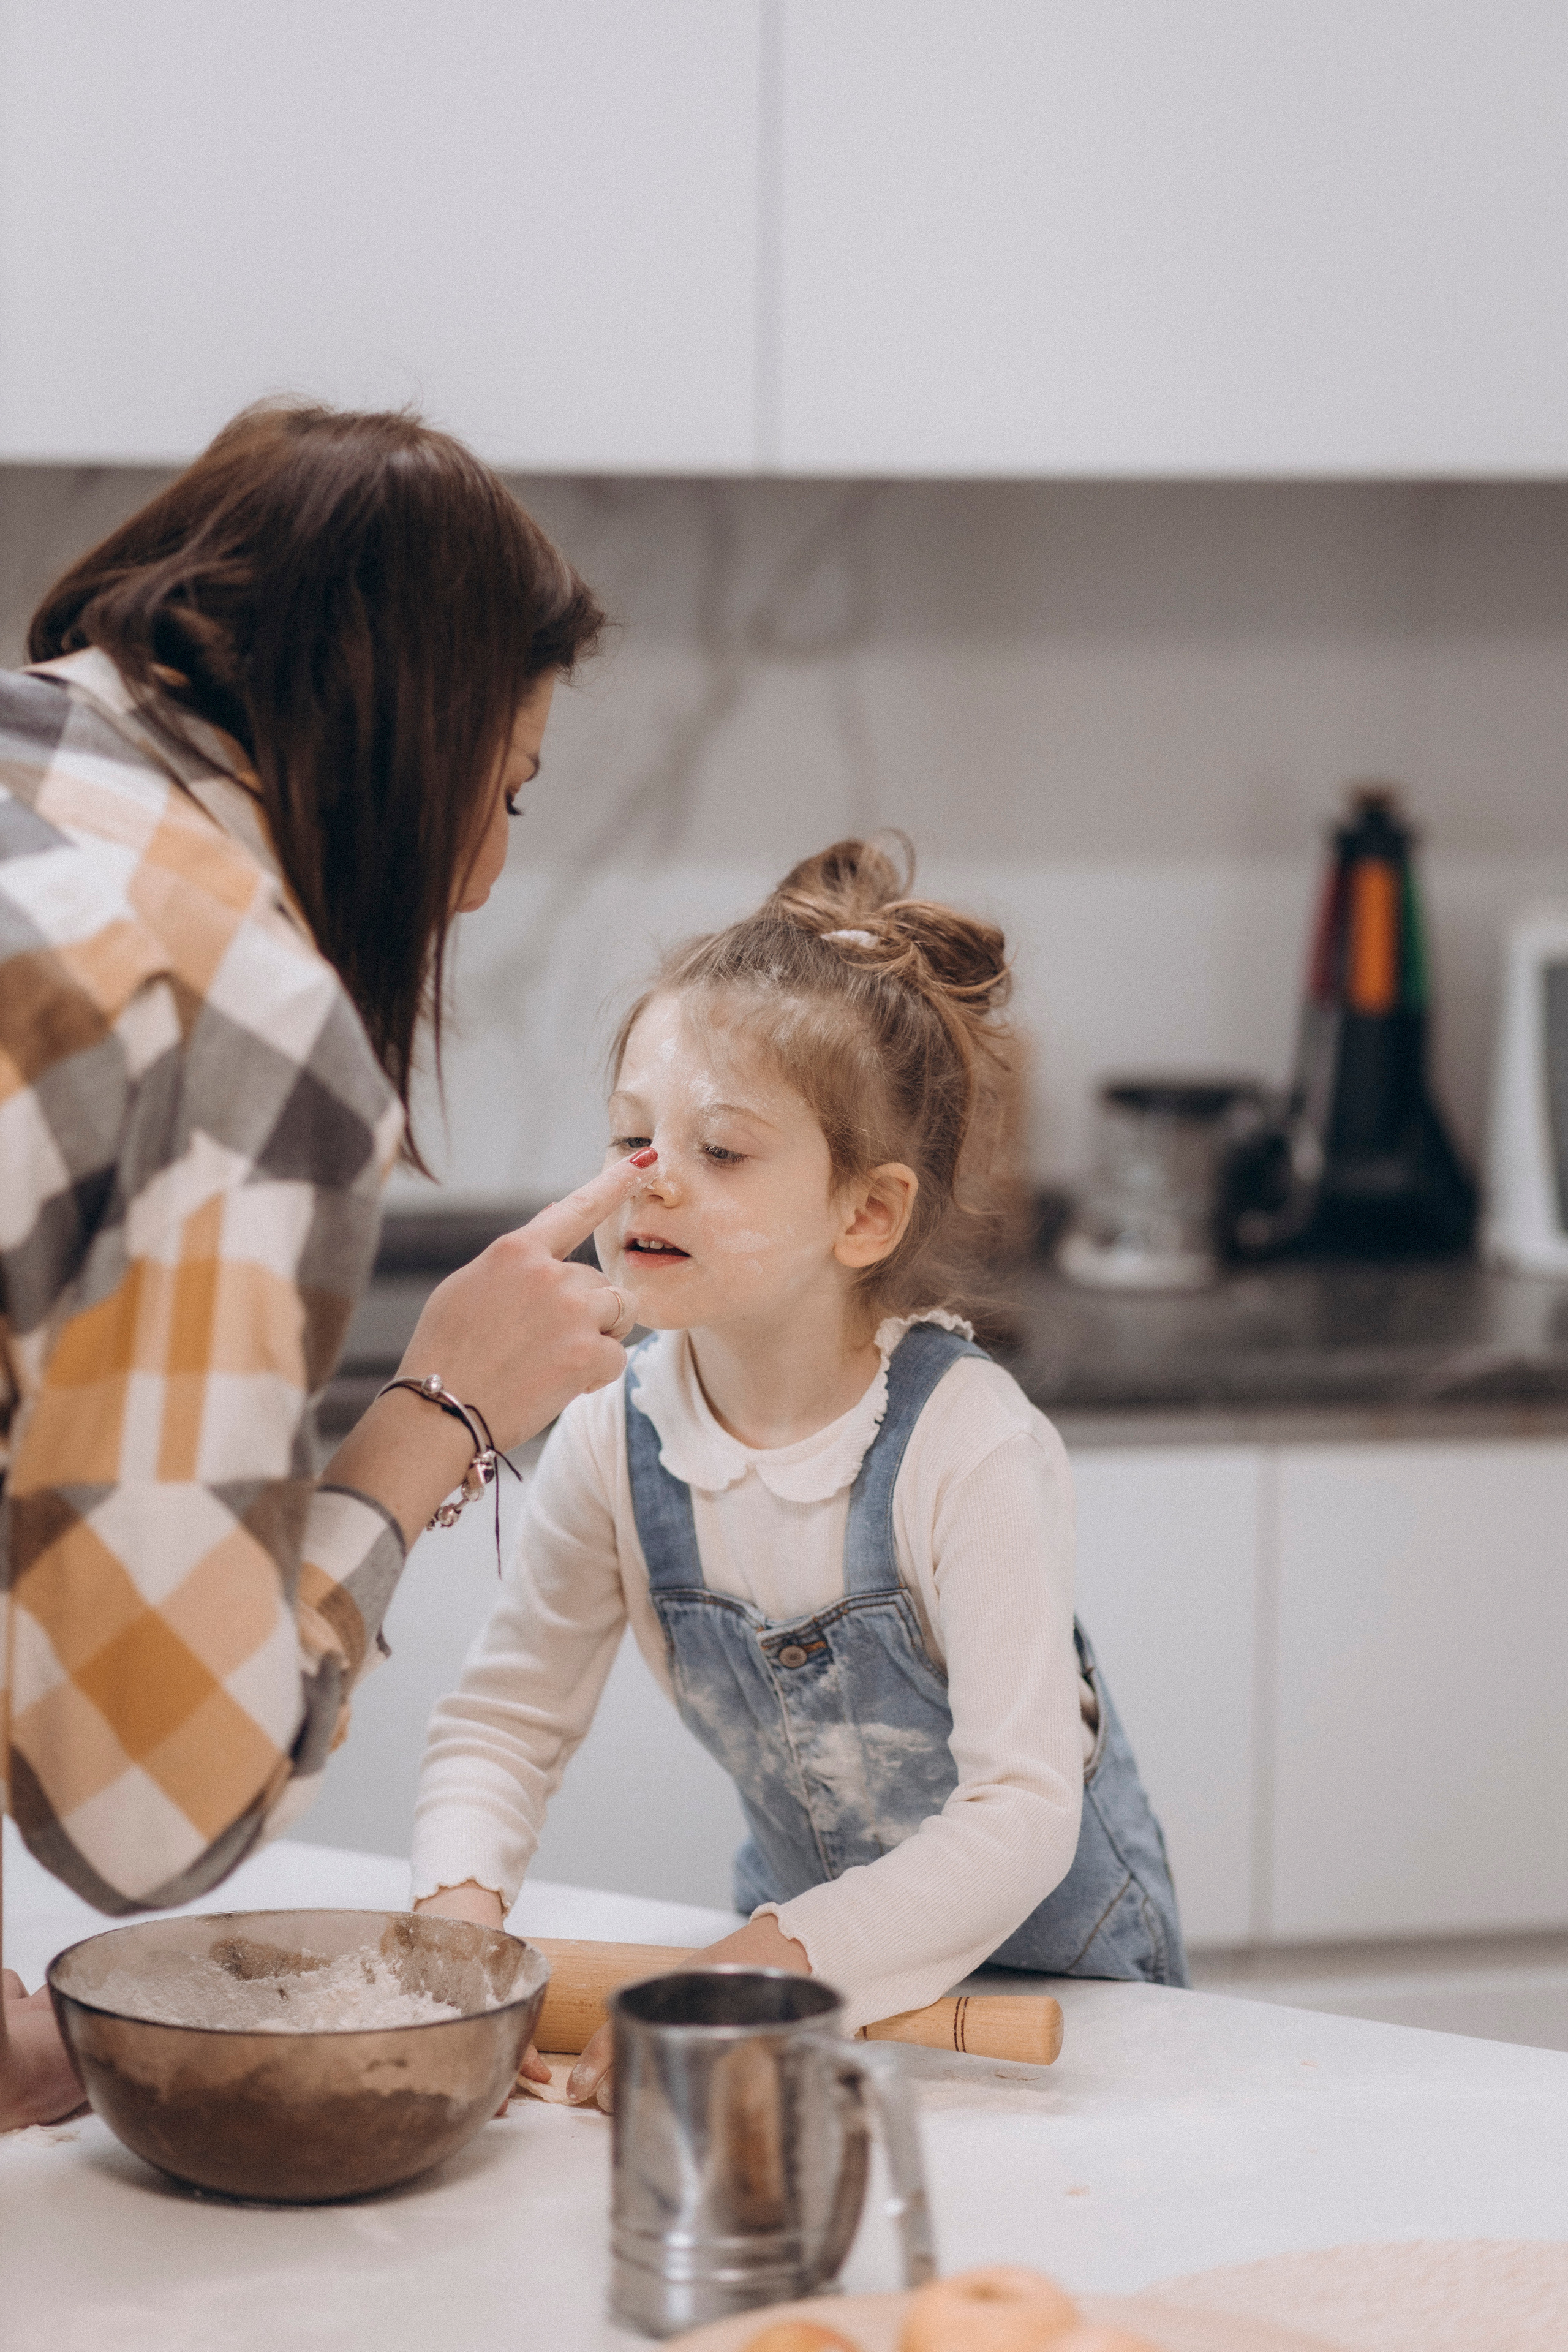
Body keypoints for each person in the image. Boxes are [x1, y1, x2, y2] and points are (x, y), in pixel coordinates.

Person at [0, 402, 655, 2129]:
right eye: (507, 790)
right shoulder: (225, 1011)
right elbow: (151, 1813)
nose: (486, 876)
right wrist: (441, 1412)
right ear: (413, 740)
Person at [412, 836, 1186, 2108]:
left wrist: (755, 1970)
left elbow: (1020, 1816)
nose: (649, 1180)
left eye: (720, 1150)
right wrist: (453, 1947)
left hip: (1059, 2021)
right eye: (630, 1136)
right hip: (791, 2007)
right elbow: (505, 1723)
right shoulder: (612, 1435)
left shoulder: (965, 1443)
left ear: (863, 1214)